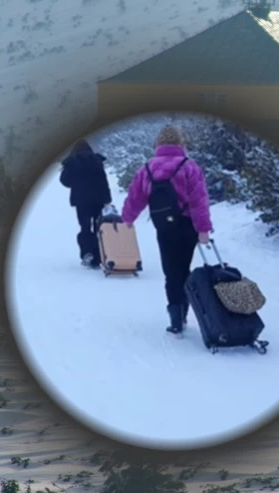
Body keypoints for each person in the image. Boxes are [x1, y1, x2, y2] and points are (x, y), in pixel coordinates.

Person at [121, 125, 213, 336]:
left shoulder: (148, 168)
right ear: (181, 144)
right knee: (184, 268)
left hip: (164, 226)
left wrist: (128, 218)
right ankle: (184, 311)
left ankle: (175, 319)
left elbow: (135, 197)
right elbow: (199, 201)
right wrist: (203, 229)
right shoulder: (190, 167)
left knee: (171, 272)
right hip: (187, 225)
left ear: (158, 145)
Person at [58, 139, 112, 268]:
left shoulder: (72, 162)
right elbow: (103, 181)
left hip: (81, 201)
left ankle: (87, 253)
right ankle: (100, 255)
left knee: (85, 227)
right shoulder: (97, 161)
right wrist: (107, 199)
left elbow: (65, 181)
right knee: (99, 227)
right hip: (98, 200)